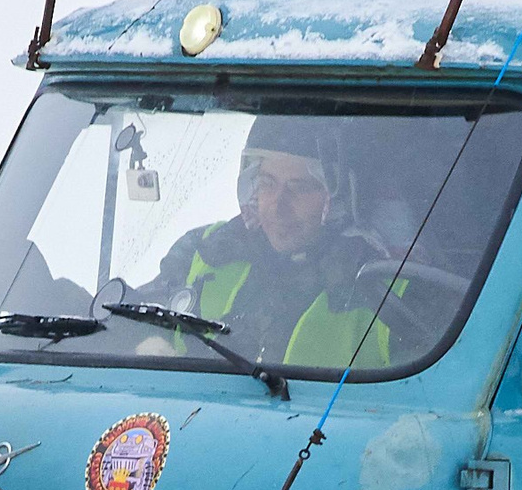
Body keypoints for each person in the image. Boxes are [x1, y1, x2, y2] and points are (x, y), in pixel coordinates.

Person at [132, 118, 391, 367]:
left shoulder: (381, 285)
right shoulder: (207, 249)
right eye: (267, 183)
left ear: (339, 197)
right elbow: (131, 315)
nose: (278, 207)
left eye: (299, 188)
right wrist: (144, 340)